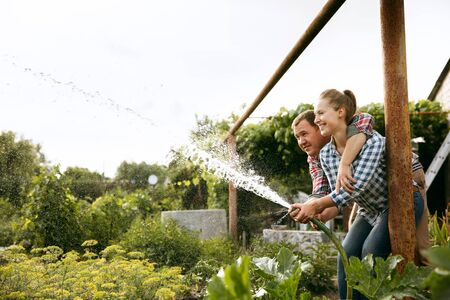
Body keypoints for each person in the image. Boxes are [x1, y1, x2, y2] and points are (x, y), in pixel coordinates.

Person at [290, 89, 427, 300]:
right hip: (369, 207)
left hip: (402, 196)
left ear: (341, 112)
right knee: (347, 253)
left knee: (374, 251)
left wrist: (317, 205)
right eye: (297, 136)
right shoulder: (323, 155)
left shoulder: (368, 138)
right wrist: (314, 209)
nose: (317, 120)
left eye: (305, 133)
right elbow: (330, 193)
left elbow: (356, 186)